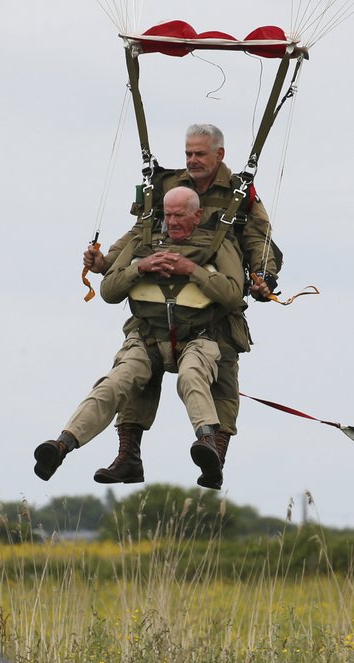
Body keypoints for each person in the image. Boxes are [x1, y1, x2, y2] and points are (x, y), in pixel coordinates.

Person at [84, 124, 281, 489]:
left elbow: (259, 237)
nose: (192, 161)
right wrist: (107, 262)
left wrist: (264, 276)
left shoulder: (239, 192)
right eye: (188, 153)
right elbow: (140, 230)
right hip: (159, 298)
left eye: (200, 154)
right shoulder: (170, 186)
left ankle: (214, 457)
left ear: (219, 155)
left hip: (216, 299)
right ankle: (128, 456)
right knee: (136, 368)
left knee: (218, 374)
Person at [36, 187, 246, 488]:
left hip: (198, 335)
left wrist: (191, 270)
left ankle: (208, 443)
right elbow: (109, 290)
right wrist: (141, 267)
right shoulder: (142, 241)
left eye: (180, 216)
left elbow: (232, 294)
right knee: (116, 381)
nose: (172, 222)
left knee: (192, 376)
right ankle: (60, 446)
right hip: (147, 336)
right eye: (168, 215)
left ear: (197, 215)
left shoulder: (218, 243)